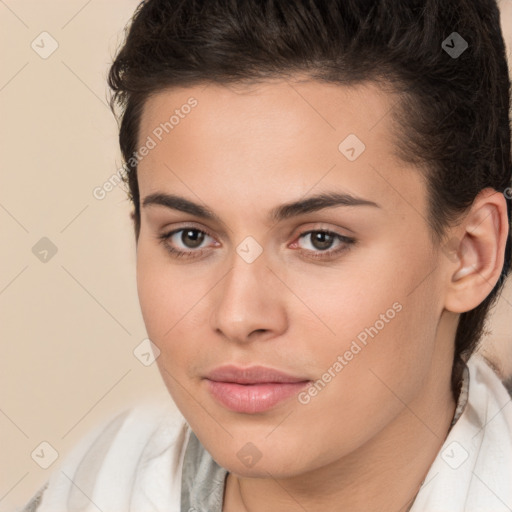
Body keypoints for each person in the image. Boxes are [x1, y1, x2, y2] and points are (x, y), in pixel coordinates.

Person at [19, 0, 512, 510]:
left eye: (321, 239)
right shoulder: (93, 485)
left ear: (471, 254)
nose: (238, 316)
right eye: (190, 237)